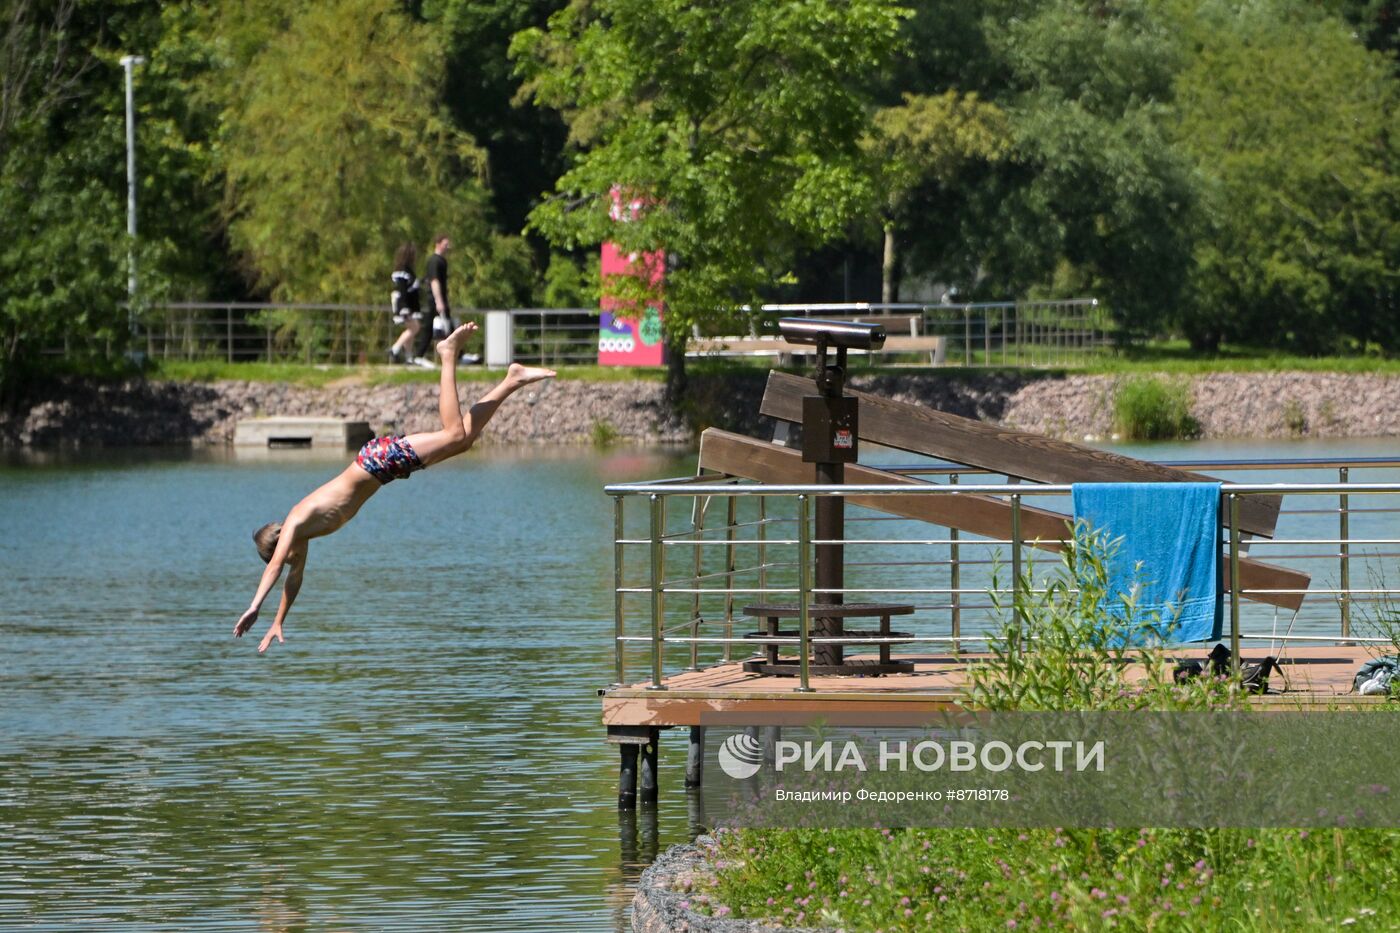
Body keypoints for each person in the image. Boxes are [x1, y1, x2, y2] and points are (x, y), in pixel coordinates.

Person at [234, 322, 555, 654]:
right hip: (381, 469)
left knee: (454, 435)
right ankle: (511, 380)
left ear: (279, 548)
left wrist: (256, 605)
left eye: (285, 558)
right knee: (463, 441)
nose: (291, 562)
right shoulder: (304, 540)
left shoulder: (297, 521)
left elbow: (275, 569)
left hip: (376, 462)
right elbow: (293, 580)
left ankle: (447, 354)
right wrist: (279, 621)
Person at [414, 233, 453, 364]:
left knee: (446, 326)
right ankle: (419, 354)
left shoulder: (442, 261)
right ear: (438, 244)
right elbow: (434, 281)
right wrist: (439, 301)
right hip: (435, 300)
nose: (448, 247)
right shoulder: (434, 261)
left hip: (439, 299)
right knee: (432, 327)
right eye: (445, 244)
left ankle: (456, 354)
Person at [387, 241, 422, 364]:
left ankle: (408, 356)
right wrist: (404, 308)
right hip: (404, 304)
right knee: (415, 327)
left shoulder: (409, 270)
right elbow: (402, 290)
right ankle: (395, 348)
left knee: (411, 328)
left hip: (409, 305)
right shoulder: (402, 270)